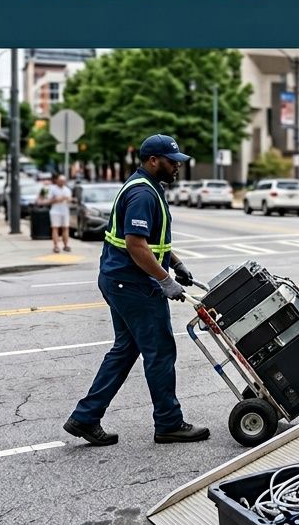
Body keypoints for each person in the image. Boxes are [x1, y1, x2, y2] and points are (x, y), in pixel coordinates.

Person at [64, 134, 209, 447]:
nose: (177, 168)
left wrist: (176, 263)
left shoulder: (147, 187)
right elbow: (135, 245)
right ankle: (169, 423)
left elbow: (151, 241)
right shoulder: (143, 193)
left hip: (120, 280)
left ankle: (85, 417)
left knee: (126, 349)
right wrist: (164, 280)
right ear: (153, 160)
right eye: (172, 162)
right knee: (160, 350)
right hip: (132, 283)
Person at [47, 174, 73, 253]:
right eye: (60, 181)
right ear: (57, 181)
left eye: (63, 181)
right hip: (55, 211)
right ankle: (56, 246)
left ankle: (65, 245)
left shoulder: (67, 190)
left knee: (65, 228)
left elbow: (70, 199)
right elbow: (49, 200)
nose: (62, 182)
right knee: (55, 228)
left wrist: (68, 199)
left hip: (65, 210)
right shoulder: (53, 189)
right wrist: (57, 199)